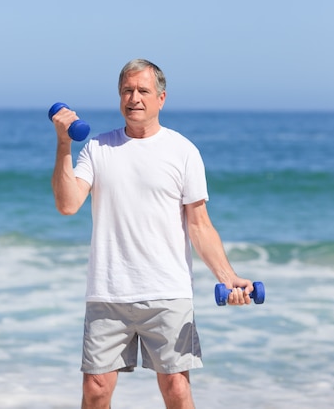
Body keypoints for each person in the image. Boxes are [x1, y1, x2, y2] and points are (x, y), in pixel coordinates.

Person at [51, 59, 253, 409]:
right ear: (119, 97)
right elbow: (68, 204)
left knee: (176, 389)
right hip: (108, 291)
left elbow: (199, 224)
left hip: (168, 291)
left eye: (143, 91)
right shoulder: (98, 148)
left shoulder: (183, 151)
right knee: (96, 389)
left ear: (161, 98)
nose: (134, 98)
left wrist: (228, 276)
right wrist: (64, 144)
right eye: (127, 91)